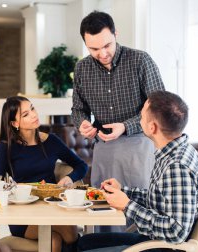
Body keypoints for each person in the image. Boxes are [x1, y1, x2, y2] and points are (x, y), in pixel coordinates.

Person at [78, 90, 198, 251]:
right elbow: (161, 200)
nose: (139, 120)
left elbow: (176, 232)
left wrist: (127, 205)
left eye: (141, 117)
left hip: (164, 247)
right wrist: (124, 192)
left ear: (152, 127)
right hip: (156, 239)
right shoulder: (173, 151)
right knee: (84, 242)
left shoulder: (177, 166)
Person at [72, 11, 165, 192]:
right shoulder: (81, 68)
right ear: (86, 44)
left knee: (136, 207)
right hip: (104, 148)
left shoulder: (140, 60)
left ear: (116, 34)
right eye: (94, 49)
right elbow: (78, 108)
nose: (103, 53)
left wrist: (125, 126)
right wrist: (82, 123)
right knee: (102, 205)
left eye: (107, 45)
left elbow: (159, 106)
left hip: (139, 145)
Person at [0, 96, 88, 252]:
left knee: (55, 240)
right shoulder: (6, 147)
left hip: (51, 206)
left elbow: (81, 165)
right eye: (25, 114)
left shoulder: (52, 141)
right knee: (70, 232)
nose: (34, 115)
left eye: (32, 108)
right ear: (14, 123)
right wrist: (14, 189)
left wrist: (69, 177)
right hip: (23, 214)